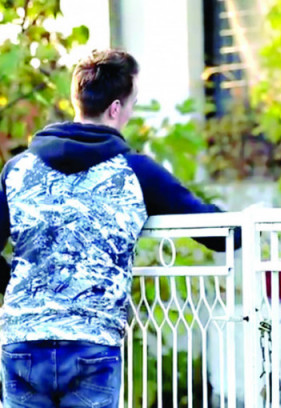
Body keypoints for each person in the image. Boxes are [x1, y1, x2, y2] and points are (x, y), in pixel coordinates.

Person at [0, 49, 239, 408]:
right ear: (115, 109)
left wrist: (14, 284)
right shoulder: (136, 171)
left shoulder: (18, 169)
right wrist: (247, 221)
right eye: (133, 104)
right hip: (92, 345)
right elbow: (216, 233)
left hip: (22, 340)